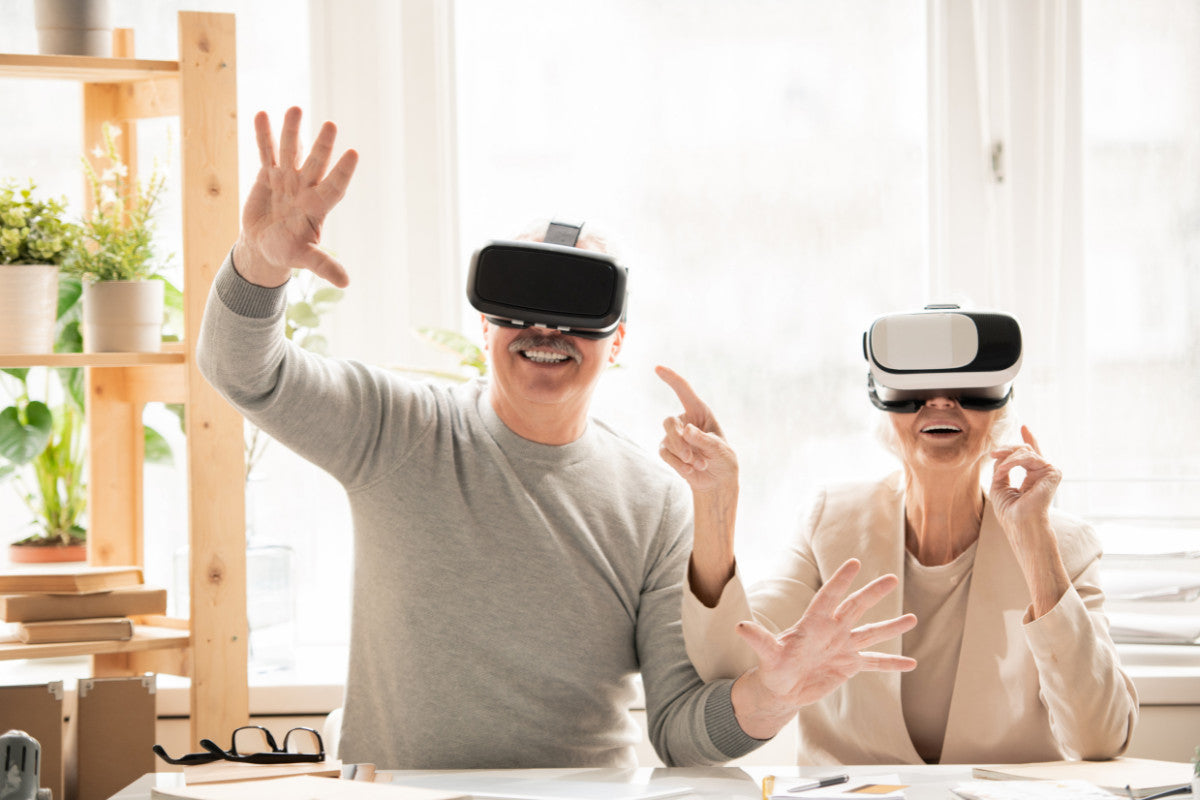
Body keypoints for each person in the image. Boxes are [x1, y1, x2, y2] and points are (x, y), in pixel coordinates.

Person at [196, 106, 916, 769]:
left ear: (620, 341)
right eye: (522, 306)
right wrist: (261, 262)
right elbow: (242, 371)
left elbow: (679, 734)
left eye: (576, 309)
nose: (546, 331)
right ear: (485, 326)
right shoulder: (395, 429)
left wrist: (774, 694)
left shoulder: (656, 501)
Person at [657, 309, 1138, 765]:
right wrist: (715, 498)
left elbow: (1099, 739)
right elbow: (729, 662)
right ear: (883, 404)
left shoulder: (1064, 546)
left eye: (966, 388)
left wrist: (1034, 541)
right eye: (916, 388)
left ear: (1001, 408)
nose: (941, 403)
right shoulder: (831, 520)